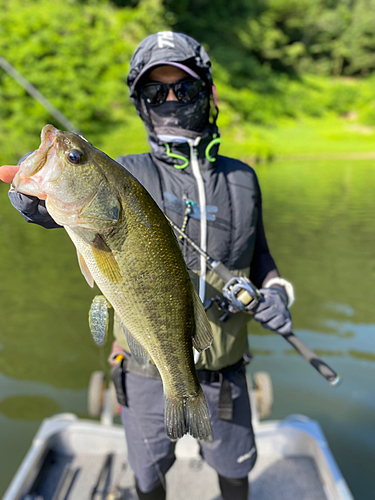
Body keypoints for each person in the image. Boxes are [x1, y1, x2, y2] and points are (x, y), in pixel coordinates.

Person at [2, 32, 294, 500]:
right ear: (141, 103)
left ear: (210, 93)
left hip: (228, 369)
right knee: (149, 478)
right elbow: (54, 211)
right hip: (142, 371)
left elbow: (261, 258)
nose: (172, 99)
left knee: (235, 474)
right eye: (156, 91)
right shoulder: (125, 172)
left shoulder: (244, 178)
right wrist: (30, 195)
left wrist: (278, 292)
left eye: (186, 88)